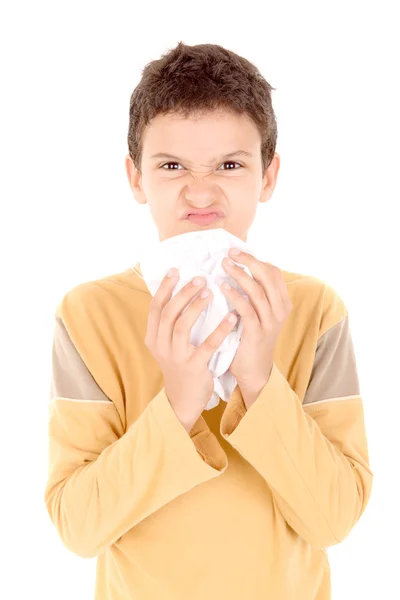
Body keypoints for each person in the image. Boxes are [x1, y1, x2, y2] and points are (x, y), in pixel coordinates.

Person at [44, 41, 373, 600]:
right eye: (171, 166)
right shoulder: (89, 315)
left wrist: (260, 381)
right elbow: (79, 527)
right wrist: (177, 403)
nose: (200, 191)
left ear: (267, 177)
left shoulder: (315, 311)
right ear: (135, 177)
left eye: (230, 164)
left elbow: (333, 519)